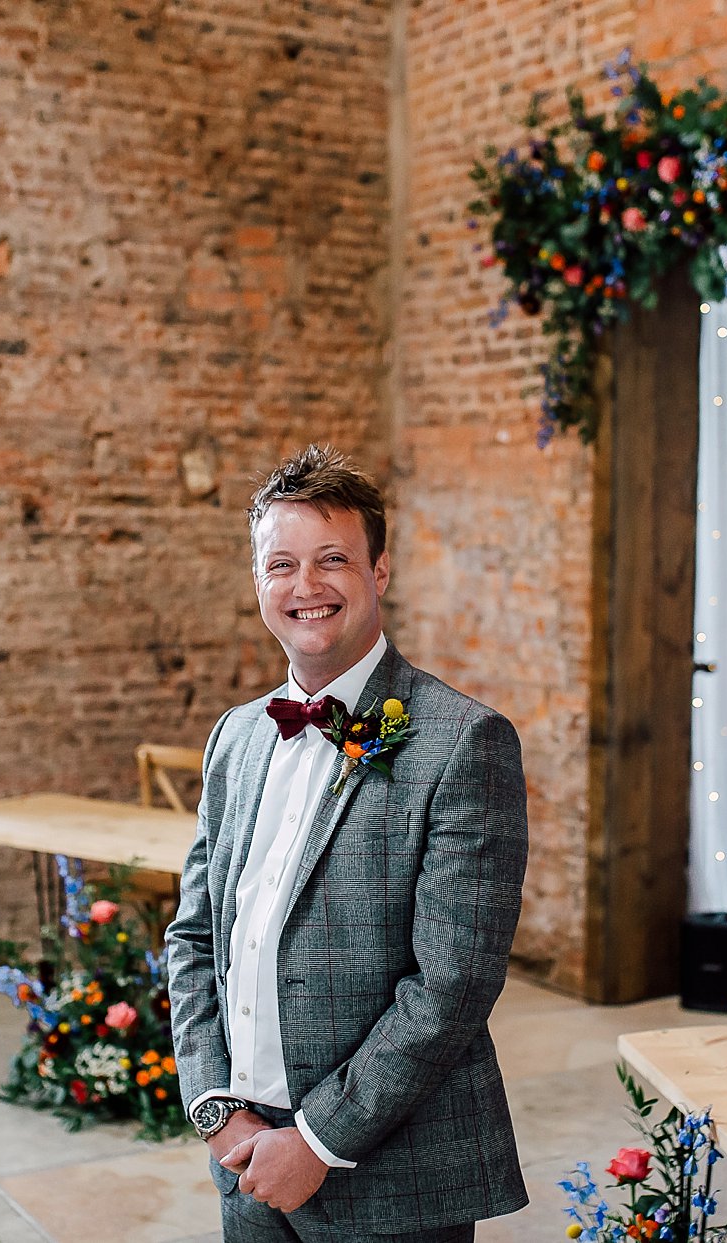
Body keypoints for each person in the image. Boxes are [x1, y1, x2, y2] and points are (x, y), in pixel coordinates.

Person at [165, 445, 530, 1242]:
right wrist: (215, 1107)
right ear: (258, 580)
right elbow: (193, 937)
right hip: (242, 1160)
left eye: (332, 558)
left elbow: (452, 984)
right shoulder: (235, 736)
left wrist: (318, 1139)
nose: (306, 585)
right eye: (282, 564)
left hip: (390, 1175)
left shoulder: (464, 740)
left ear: (380, 571)